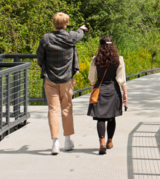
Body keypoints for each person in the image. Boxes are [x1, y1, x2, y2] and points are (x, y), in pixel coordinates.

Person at [37, 12, 88, 155]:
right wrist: (82, 29)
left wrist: (46, 67)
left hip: (50, 79)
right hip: (67, 79)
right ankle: (67, 140)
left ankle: (55, 143)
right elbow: (80, 34)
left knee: (53, 109)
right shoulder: (70, 37)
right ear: (65, 24)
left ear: (54, 23)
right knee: (66, 108)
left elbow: (40, 58)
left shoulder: (46, 38)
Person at [87, 36, 128, 155]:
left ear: (100, 46)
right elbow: (121, 79)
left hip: (100, 89)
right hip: (113, 89)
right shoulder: (118, 59)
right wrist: (125, 93)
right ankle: (110, 141)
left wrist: (93, 90)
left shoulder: (95, 59)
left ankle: (102, 141)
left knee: (100, 117)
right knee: (111, 117)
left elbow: (92, 78)